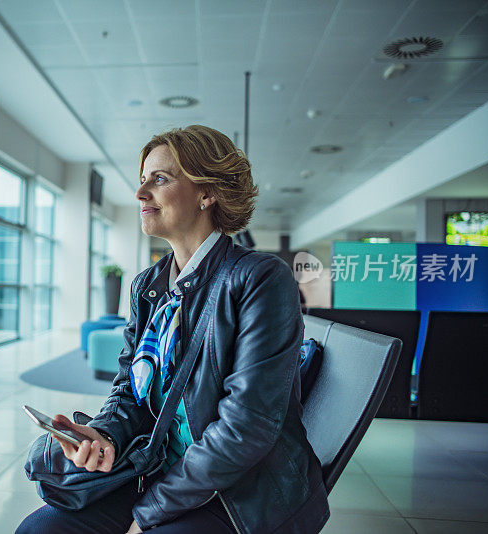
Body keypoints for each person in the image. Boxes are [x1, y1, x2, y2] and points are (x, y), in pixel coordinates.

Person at [17, 125, 330, 534]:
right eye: (142, 179)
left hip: (239, 493)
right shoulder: (148, 286)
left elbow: (245, 429)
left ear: (207, 192)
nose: (140, 193)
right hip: (157, 473)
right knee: (39, 530)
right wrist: (102, 435)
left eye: (160, 179)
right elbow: (130, 392)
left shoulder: (260, 279)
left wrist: (146, 515)